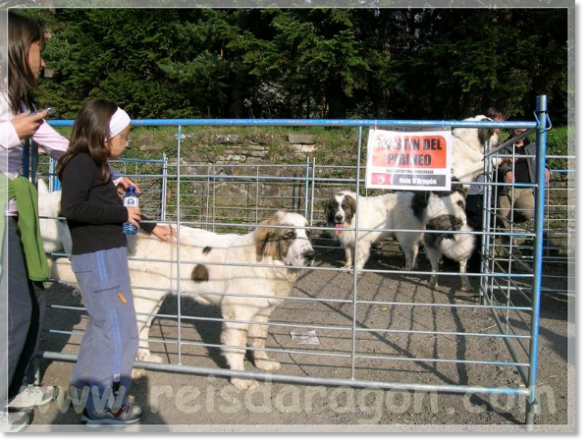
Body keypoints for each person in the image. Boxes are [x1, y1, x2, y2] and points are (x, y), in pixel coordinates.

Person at [0, 12, 146, 431]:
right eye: (39, 49)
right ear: (17, 47)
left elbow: (60, 149)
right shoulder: (12, 109)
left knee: (32, 306)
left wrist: (111, 172)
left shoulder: (22, 103)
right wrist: (11, 132)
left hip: (19, 216)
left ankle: (18, 385)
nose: (42, 60)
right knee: (20, 314)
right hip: (23, 222)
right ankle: (95, 403)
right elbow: (75, 198)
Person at [57, 98, 172, 425]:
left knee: (102, 328)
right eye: (124, 134)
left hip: (104, 256)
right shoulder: (83, 164)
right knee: (121, 332)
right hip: (100, 258)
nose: (128, 140)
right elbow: (73, 208)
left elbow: (122, 209)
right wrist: (121, 213)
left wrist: (150, 226)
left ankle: (84, 397)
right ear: (105, 136)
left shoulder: (97, 166)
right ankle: (104, 406)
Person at [465, 108, 507, 272]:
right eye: (497, 123)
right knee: (470, 226)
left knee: (477, 227)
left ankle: (474, 264)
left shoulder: (496, 142)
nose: (500, 127)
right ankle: (470, 264)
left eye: (501, 124)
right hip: (472, 189)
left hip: (481, 190)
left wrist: (503, 164)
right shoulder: (476, 139)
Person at [497, 128, 550, 230]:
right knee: (504, 220)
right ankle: (509, 244)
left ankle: (514, 221)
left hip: (528, 188)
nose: (522, 134)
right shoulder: (502, 145)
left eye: (524, 132)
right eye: (518, 131)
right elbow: (496, 161)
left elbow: (542, 159)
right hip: (506, 188)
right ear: (512, 130)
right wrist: (506, 170)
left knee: (527, 212)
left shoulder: (533, 147)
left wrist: (546, 167)